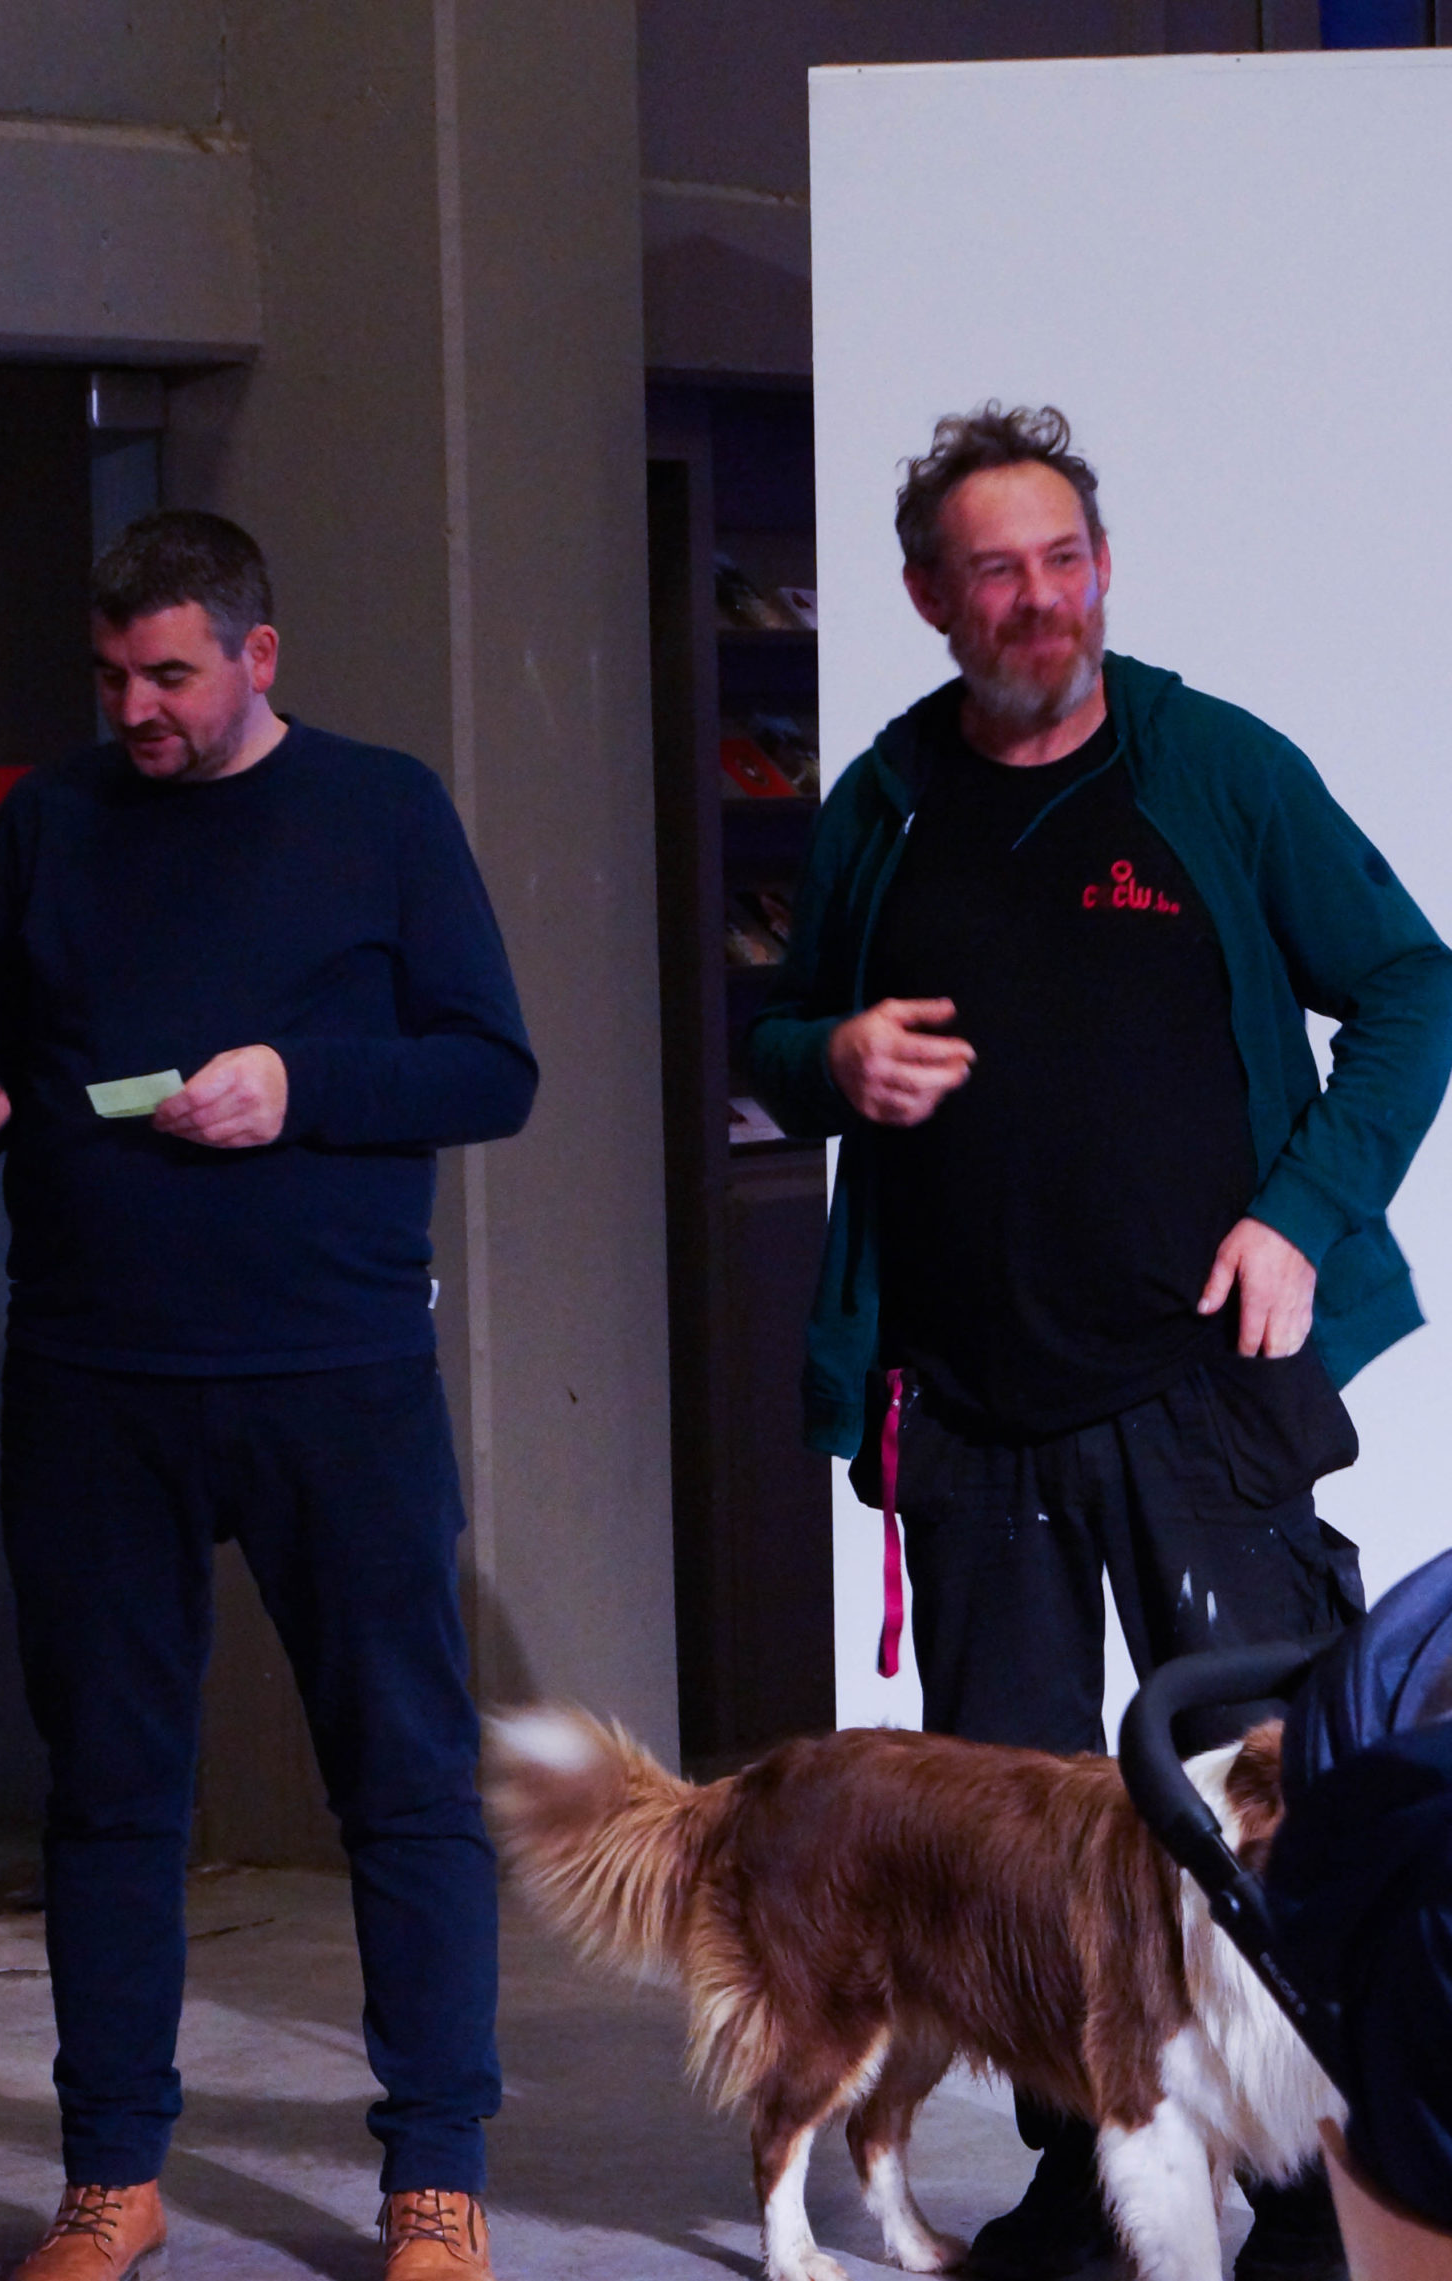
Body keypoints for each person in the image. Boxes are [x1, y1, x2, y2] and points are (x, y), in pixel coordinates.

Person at [748, 406, 1452, 2281]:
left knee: (1279, 1798)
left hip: (1200, 1388)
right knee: (1013, 1836)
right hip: (971, 1415)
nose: (1039, 600)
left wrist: (1302, 1215)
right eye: (996, 570)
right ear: (930, 596)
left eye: (1064, 560)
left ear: (1105, 569)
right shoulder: (886, 801)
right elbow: (777, 1032)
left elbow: (1414, 984)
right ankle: (1090, 2183)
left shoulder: (1212, 768)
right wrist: (832, 1055)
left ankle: (1313, 2189)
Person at [0, 511, 538, 2281]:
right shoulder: (50, 819)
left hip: (340, 1375)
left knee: (403, 1779)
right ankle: (112, 2174)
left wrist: (299, 1083)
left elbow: (491, 1070)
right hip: (92, 1377)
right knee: (110, 1790)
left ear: (260, 656)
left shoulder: (384, 810)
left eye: (171, 674)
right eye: (113, 675)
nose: (139, 709)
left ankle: (435, 2177)